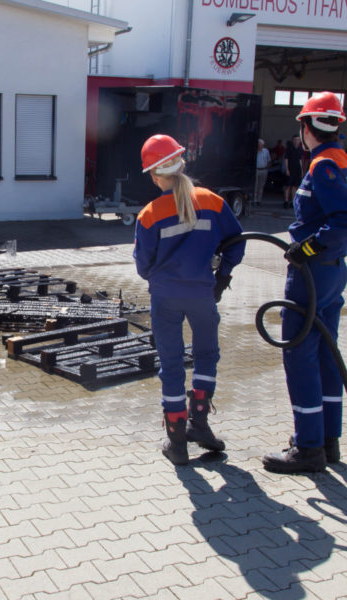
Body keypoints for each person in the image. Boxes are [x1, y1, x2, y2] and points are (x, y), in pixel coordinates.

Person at [134, 134, 246, 465]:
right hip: (202, 294)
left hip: (166, 297)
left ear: (154, 176)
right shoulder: (213, 201)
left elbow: (143, 266)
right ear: (182, 163)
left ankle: (177, 442)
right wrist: (222, 276)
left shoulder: (149, 214)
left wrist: (161, 276)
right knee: (207, 355)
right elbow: (236, 242)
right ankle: (200, 423)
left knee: (171, 364)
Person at [262, 92, 347, 474]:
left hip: (312, 272)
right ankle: (329, 441)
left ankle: (309, 447)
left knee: (300, 355)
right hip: (331, 272)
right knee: (326, 352)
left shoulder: (324, 167)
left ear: (306, 126)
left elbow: (342, 221)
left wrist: (306, 249)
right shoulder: (339, 161)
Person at [284, 134, 303, 208]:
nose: (296, 141)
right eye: (295, 140)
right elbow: (286, 159)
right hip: (290, 169)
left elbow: (300, 160)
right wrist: (287, 169)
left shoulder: (300, 149)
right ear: (292, 140)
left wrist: (302, 171)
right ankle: (286, 201)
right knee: (288, 186)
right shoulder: (289, 148)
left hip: (297, 170)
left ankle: (293, 201)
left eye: (298, 140)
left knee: (295, 186)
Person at [254, 138, 271, 206]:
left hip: (263, 170)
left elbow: (268, 160)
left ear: (263, 145)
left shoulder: (266, 151)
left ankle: (259, 200)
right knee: (255, 185)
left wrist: (267, 167)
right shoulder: (255, 151)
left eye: (261, 144)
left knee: (261, 186)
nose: (259, 146)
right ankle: (254, 200)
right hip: (257, 169)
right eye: (258, 144)